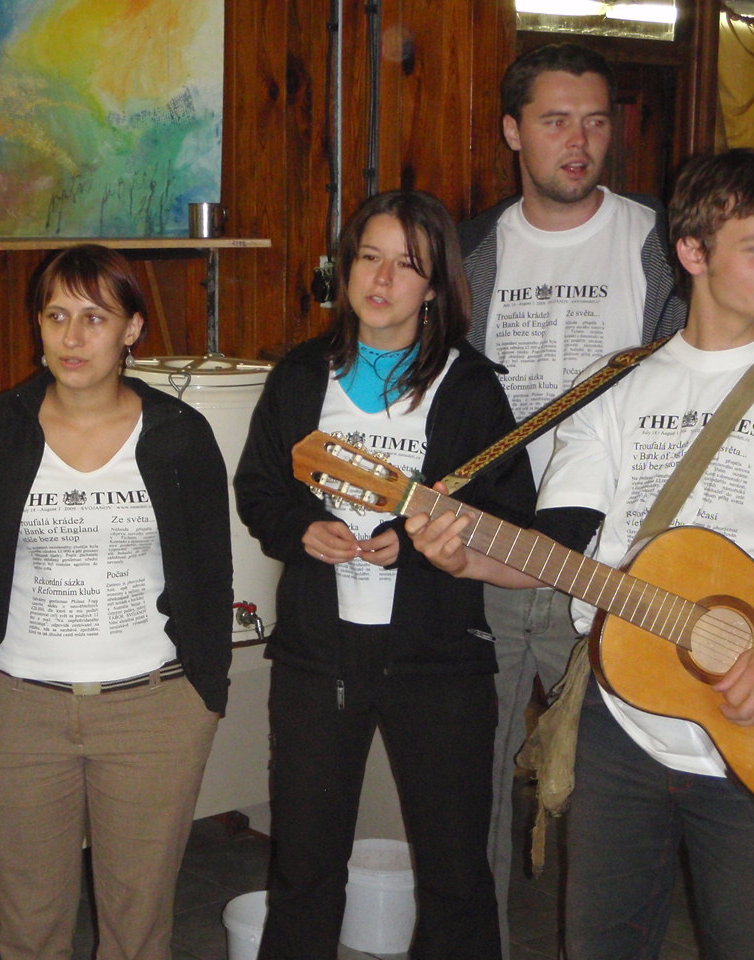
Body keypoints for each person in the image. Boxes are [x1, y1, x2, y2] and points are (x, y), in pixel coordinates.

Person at [408, 148, 754, 960]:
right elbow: (562, 546)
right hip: (621, 727)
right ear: (692, 252)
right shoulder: (619, 381)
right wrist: (468, 559)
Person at [233, 190, 536, 959]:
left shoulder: (469, 386)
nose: (381, 279)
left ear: (435, 286)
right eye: (369, 257)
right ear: (345, 268)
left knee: (455, 874)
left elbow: (509, 514)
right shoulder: (302, 376)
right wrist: (302, 530)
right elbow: (259, 488)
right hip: (318, 655)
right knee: (302, 867)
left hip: (439, 658)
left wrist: (419, 542)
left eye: (407, 264)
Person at [457, 42, 688, 949]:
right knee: (466, 784)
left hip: (612, 564)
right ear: (513, 131)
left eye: (596, 120)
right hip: (488, 549)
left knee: (612, 790)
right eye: (555, 120)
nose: (579, 141)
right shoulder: (468, 251)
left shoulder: (667, 243)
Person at [0, 244, 232, 960]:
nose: (72, 337)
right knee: (29, 929)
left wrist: (204, 696)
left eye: (95, 317)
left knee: (139, 931)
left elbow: (212, 574)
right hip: (13, 714)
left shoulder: (179, 435)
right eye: (56, 316)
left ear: (132, 329)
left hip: (153, 713)